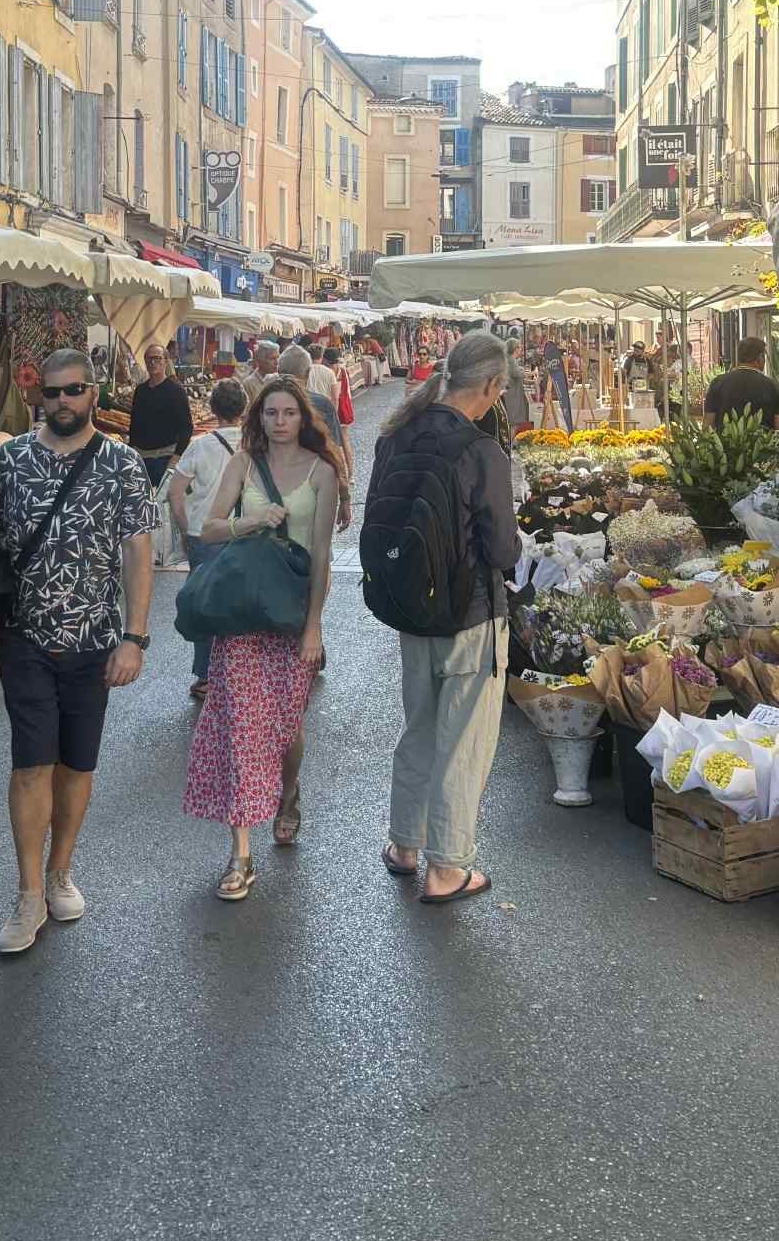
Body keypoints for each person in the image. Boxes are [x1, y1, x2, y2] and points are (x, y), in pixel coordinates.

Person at [0, 347, 157, 955]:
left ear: (93, 393)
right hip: (23, 635)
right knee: (31, 763)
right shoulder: (8, 461)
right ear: (39, 396)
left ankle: (60, 871)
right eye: (50, 392)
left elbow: (137, 551)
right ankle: (28, 892)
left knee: (77, 764)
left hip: (94, 639)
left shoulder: (123, 464)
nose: (61, 401)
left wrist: (134, 636)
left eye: (73, 390)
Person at [372, 331, 521, 906]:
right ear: (490, 385)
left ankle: (404, 844)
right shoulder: (480, 450)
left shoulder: (396, 435)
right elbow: (502, 549)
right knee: (464, 741)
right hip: (471, 615)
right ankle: (447, 867)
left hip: (412, 611)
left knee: (419, 728)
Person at [182, 377, 342, 900]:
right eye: (271, 413)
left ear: (303, 417)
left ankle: (287, 793)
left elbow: (322, 556)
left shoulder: (322, 472)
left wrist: (314, 627)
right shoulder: (243, 463)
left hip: (291, 615)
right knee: (241, 726)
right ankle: (240, 855)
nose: (279, 422)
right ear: (259, 417)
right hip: (243, 614)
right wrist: (250, 521)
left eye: (289, 413)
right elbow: (207, 528)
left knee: (285, 727)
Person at [167, 377, 248, 701]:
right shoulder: (255, 443)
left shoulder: (199, 446)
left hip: (204, 534)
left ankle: (206, 676)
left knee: (204, 605)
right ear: (244, 408)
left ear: (213, 409)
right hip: (244, 532)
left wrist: (185, 529)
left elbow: (174, 494)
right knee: (245, 603)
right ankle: (241, 673)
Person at [278, 345, 353, 519]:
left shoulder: (265, 404)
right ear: (307, 373)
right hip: (313, 488)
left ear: (279, 371)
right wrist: (344, 497)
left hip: (274, 489)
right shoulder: (322, 404)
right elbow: (334, 451)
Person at [127, 342, 194, 490]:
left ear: (166, 361)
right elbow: (134, 424)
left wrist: (176, 457)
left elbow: (187, 427)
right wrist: (131, 451)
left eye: (157, 358)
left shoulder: (176, 391)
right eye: (149, 358)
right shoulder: (140, 391)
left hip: (164, 458)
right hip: (141, 458)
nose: (153, 362)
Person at [702, 337, 779, 433]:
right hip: (762, 441)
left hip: (724, 441)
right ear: (760, 358)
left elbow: (707, 425)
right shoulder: (772, 386)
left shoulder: (717, 383)